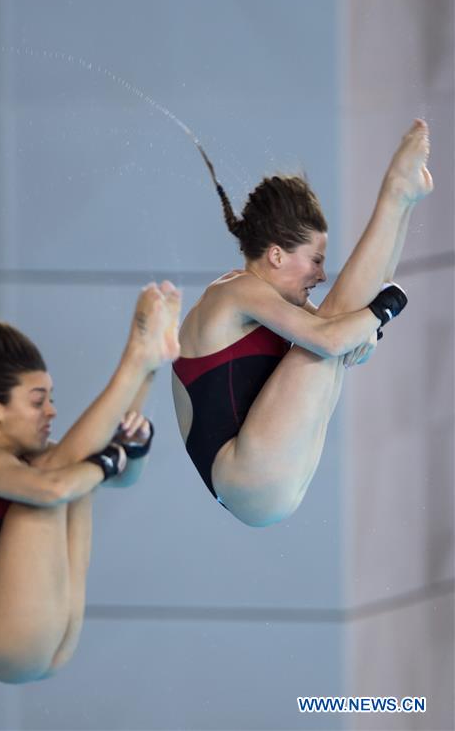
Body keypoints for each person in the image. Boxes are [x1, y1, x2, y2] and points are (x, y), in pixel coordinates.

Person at [0, 281, 181, 683]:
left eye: (51, 398)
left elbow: (122, 476)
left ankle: (146, 364)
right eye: (38, 401)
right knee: (59, 476)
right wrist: (110, 458)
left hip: (51, 637)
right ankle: (136, 358)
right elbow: (53, 489)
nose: (52, 411)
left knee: (75, 467)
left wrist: (131, 447)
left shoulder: (29, 461)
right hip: (0, 641)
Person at [172, 120, 432, 526]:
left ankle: (403, 199)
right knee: (333, 328)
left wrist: (366, 322)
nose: (321, 275)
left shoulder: (266, 300)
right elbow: (332, 338)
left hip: (258, 484)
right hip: (246, 474)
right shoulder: (236, 291)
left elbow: (344, 334)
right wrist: (385, 308)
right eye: (315, 260)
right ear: (276, 255)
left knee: (339, 320)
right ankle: (396, 194)